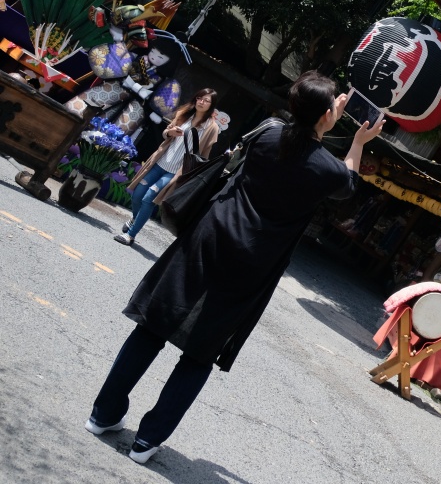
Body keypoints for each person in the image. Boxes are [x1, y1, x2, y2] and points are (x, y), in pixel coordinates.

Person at [85, 71, 385, 464]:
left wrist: (322, 119)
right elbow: (346, 180)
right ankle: (147, 441)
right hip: (253, 261)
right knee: (199, 351)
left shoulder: (268, 132)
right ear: (328, 115)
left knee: (153, 326)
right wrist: (358, 141)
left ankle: (102, 415)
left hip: (208, 237)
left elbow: (296, 142)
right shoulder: (327, 168)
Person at [117, 88, 220, 246]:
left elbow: (204, 155)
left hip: (176, 172)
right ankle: (134, 220)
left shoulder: (211, 128)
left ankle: (130, 235)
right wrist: (170, 132)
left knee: (149, 198)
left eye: (207, 101)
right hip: (160, 161)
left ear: (211, 106)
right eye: (200, 98)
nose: (202, 102)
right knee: (137, 195)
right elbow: (166, 133)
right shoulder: (184, 114)